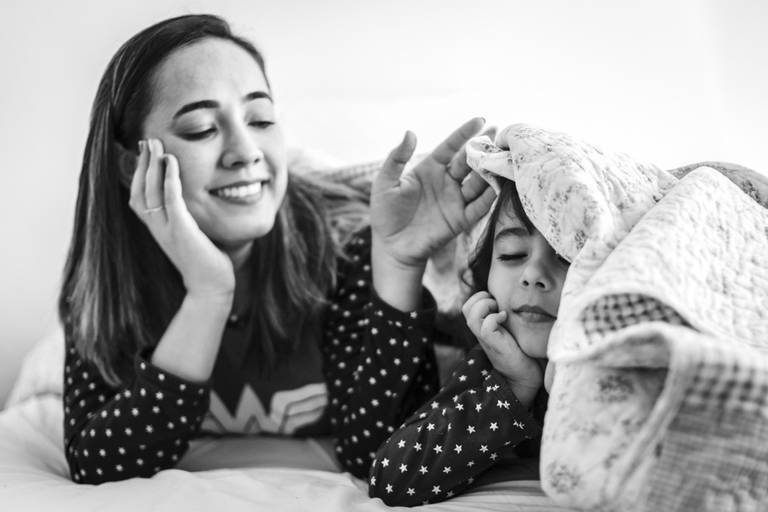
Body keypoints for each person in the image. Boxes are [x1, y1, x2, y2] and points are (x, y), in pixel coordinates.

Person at [59, 14, 496, 484]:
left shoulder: (345, 251)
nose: (246, 151)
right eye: (202, 129)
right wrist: (208, 294)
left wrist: (399, 265)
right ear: (132, 166)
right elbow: (97, 464)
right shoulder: (107, 283)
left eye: (260, 119)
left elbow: (377, 454)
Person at [368, 177, 569, 506]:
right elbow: (390, 479)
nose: (533, 274)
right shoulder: (495, 354)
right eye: (512, 254)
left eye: (566, 256)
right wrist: (515, 385)